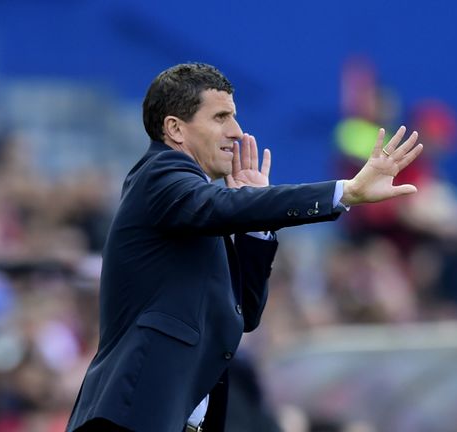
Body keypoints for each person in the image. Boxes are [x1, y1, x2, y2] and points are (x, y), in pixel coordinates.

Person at [66, 62, 423, 432]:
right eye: (220, 117)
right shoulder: (161, 174)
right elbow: (222, 207)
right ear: (175, 129)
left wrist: (257, 223)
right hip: (129, 419)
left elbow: (245, 313)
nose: (236, 132)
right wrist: (344, 192)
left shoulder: (191, 209)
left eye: (234, 117)